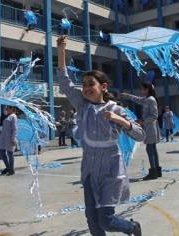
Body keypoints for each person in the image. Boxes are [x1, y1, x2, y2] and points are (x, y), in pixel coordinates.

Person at [57, 36, 144, 236]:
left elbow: (140, 135)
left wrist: (121, 120)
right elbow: (64, 81)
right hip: (89, 169)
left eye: (91, 84)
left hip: (111, 170)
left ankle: (132, 227)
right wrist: (61, 50)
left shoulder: (115, 108)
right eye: (84, 84)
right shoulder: (82, 104)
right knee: (92, 219)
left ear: (103, 87)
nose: (86, 88)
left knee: (105, 220)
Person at [121, 83, 161, 181]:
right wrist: (127, 96)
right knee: (153, 150)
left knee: (150, 150)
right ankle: (157, 171)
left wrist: (142, 121)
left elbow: (154, 115)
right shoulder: (147, 99)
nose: (141, 91)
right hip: (150, 127)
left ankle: (153, 173)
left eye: (142, 89)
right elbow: (137, 99)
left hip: (151, 128)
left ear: (147, 89)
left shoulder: (151, 100)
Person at [0, 106, 18, 176]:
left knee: (10, 153)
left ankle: (11, 169)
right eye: (6, 109)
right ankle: (8, 167)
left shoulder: (13, 116)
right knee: (2, 151)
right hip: (3, 137)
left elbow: (15, 129)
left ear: (12, 109)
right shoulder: (8, 116)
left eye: (7, 109)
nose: (6, 110)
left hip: (9, 137)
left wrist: (13, 138)